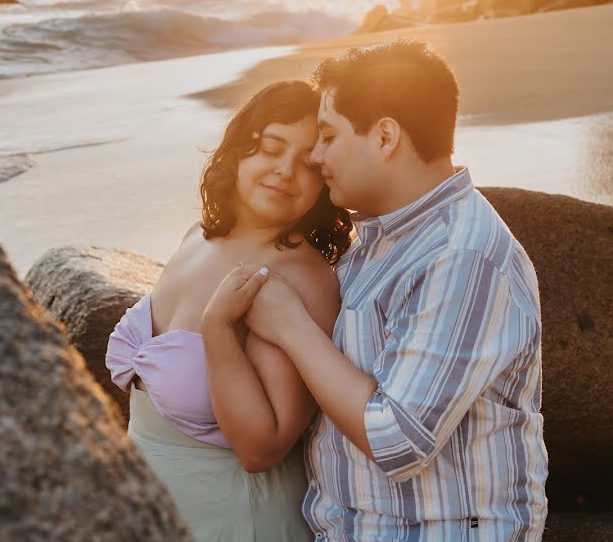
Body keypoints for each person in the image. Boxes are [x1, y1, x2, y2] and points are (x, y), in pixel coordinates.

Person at [203, 40, 549, 541]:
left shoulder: (461, 256)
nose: (316, 157)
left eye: (327, 136)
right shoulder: (377, 237)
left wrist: (291, 326)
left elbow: (398, 438)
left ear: (385, 136)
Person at [106, 80, 353, 541]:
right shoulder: (196, 237)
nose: (284, 171)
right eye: (270, 148)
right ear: (239, 150)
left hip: (236, 519)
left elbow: (265, 447)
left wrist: (217, 327)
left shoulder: (300, 279)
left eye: (307, 163)